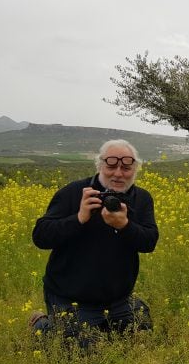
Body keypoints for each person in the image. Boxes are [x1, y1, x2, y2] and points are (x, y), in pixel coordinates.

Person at [30, 139, 159, 347]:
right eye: (111, 166)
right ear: (99, 166)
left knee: (141, 338)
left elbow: (149, 242)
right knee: (84, 351)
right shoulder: (74, 193)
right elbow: (41, 237)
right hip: (70, 296)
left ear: (135, 170)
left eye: (126, 168)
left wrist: (125, 225)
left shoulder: (141, 198)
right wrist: (79, 218)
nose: (118, 173)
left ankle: (112, 317)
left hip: (117, 297)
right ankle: (42, 324)